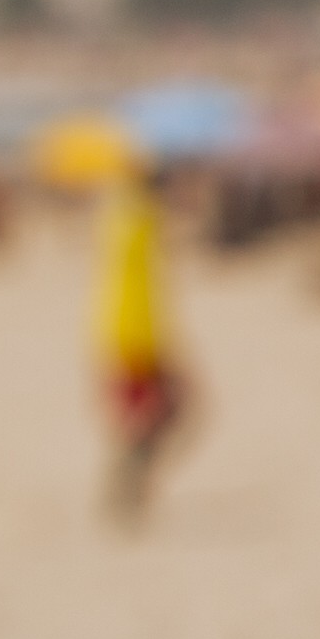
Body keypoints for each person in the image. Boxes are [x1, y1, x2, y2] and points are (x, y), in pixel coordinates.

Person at [96, 178, 190, 526]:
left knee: (147, 415)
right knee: (159, 413)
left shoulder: (119, 216)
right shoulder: (140, 220)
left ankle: (130, 483)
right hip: (137, 333)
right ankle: (129, 484)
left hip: (121, 330)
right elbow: (143, 287)